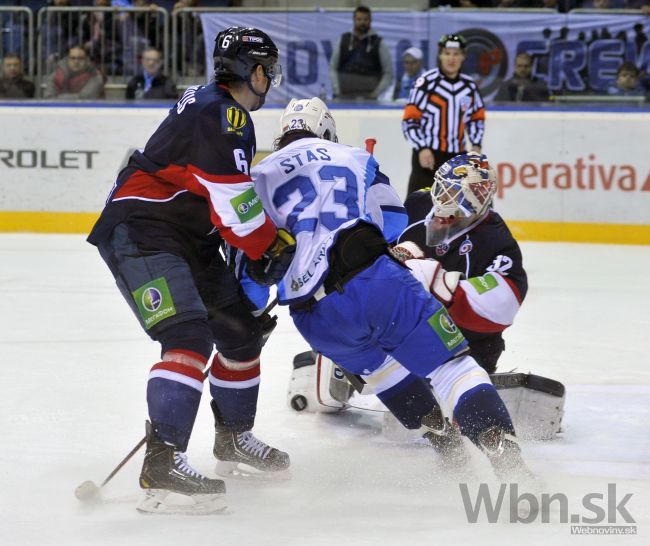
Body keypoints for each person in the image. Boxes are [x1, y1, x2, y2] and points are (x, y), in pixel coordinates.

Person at [252, 97, 532, 480]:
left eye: (465, 196)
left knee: (384, 373)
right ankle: (506, 460)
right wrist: (394, 256)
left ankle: (445, 443)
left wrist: (441, 283)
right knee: (454, 369)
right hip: (383, 295)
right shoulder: (356, 161)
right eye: (448, 192)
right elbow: (388, 220)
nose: (453, 203)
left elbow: (248, 251)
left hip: (314, 316)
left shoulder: (258, 176)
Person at [87, 27, 293, 515]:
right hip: (143, 230)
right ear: (255, 70)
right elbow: (236, 205)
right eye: (268, 70)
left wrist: (254, 249)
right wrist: (269, 245)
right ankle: (163, 460)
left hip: (186, 234)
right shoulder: (226, 114)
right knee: (188, 338)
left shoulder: (212, 104)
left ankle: (234, 440)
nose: (271, 80)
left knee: (241, 333)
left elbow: (215, 198)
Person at [402, 33, 485, 195]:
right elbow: (410, 120)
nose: (451, 59)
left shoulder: (469, 87)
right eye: (447, 53)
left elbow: (476, 119)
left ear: (463, 56)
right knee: (419, 205)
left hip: (458, 158)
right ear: (440, 55)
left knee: (461, 207)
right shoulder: (426, 83)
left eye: (456, 54)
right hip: (428, 157)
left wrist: (475, 145)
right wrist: (421, 148)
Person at [328, 5, 393, 101]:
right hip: (343, 97)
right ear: (354, 20)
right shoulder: (343, 40)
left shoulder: (379, 43)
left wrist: (376, 93)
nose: (362, 22)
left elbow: (388, 73)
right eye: (359, 19)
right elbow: (333, 68)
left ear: (370, 20)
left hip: (370, 99)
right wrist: (337, 91)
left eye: (365, 19)